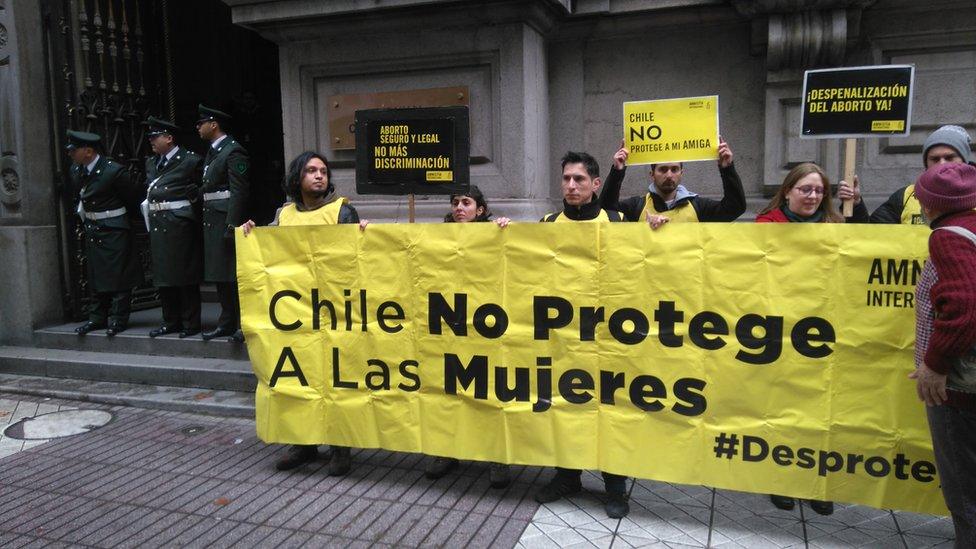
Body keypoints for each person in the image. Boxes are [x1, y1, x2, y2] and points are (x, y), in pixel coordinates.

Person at [241, 151, 367, 476]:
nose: (319, 176)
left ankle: (341, 448)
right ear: (298, 177)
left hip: (334, 312)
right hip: (296, 314)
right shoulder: (282, 216)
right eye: (311, 170)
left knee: (337, 380)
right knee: (301, 378)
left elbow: (354, 261)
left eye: (323, 171)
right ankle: (304, 445)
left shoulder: (344, 212)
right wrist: (252, 235)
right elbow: (269, 258)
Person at [533, 151, 630, 519]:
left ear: (594, 184)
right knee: (564, 405)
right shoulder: (546, 222)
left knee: (609, 410)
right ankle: (567, 476)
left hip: (607, 338)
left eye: (578, 180)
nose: (571, 186)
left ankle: (616, 486)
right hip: (561, 337)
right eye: (566, 179)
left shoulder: (618, 221)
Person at [756, 162, 839, 515]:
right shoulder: (767, 225)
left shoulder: (835, 226)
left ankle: (817, 481)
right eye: (805, 189)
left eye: (819, 191)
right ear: (788, 191)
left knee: (819, 407)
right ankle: (782, 478)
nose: (813, 196)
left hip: (822, 329)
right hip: (779, 329)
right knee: (782, 404)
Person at [426, 185, 511, 488]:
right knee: (449, 391)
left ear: (481, 209)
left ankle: (497, 457)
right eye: (455, 203)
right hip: (451, 325)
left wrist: (507, 232)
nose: (459, 207)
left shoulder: (495, 232)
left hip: (486, 327)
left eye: (466, 202)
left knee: (490, 391)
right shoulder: (439, 237)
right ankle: (447, 451)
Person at [910, 162, 976, 547]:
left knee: (964, 490)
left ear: (933, 204)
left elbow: (964, 307)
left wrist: (935, 365)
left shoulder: (948, 237)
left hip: (960, 387)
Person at [65, 130, 145, 336]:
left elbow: (132, 199)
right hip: (94, 229)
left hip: (115, 229)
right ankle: (97, 318)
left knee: (119, 277)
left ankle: (118, 319)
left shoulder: (113, 171)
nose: (71, 154)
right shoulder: (77, 170)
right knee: (96, 275)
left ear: (88, 151)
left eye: (74, 150)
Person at [142, 117, 204, 339]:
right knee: (164, 276)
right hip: (159, 223)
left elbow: (199, 193)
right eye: (150, 137)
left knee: (184, 274)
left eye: (155, 136)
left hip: (179, 223)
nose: (151, 140)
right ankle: (171, 321)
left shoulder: (189, 160)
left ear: (169, 138)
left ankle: (191, 322)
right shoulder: (151, 163)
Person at [599, 138, 746, 229]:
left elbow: (734, 208)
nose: (669, 175)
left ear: (681, 173)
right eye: (663, 169)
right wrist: (617, 171)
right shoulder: (636, 207)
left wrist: (727, 169)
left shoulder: (698, 206)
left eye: (674, 169)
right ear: (652, 174)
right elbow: (606, 209)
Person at [196, 104, 250, 342]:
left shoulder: (233, 151)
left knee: (232, 274)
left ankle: (241, 323)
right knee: (219, 275)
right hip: (212, 219)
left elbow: (239, 191)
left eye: (201, 123)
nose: (198, 127)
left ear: (213, 124)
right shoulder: (213, 151)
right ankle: (226, 322)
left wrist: (232, 224)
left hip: (224, 219)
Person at [857, 125, 973, 225]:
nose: (942, 164)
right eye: (935, 159)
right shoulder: (905, 196)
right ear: (926, 163)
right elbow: (870, 237)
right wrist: (855, 205)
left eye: (949, 158)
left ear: (964, 160)